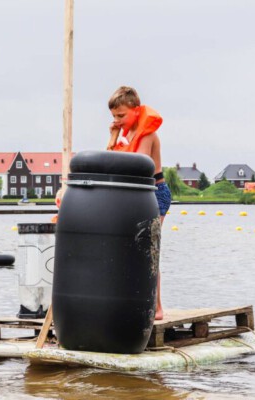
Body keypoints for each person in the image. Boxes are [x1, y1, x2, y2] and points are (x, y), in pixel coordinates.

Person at [106, 86, 170, 320]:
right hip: (134, 196)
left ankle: (157, 306)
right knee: (130, 251)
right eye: (113, 116)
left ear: (135, 110)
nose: (117, 120)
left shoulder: (147, 134)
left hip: (155, 193)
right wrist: (113, 138)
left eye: (121, 116)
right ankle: (132, 300)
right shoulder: (123, 137)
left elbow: (138, 164)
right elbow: (110, 162)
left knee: (148, 251)